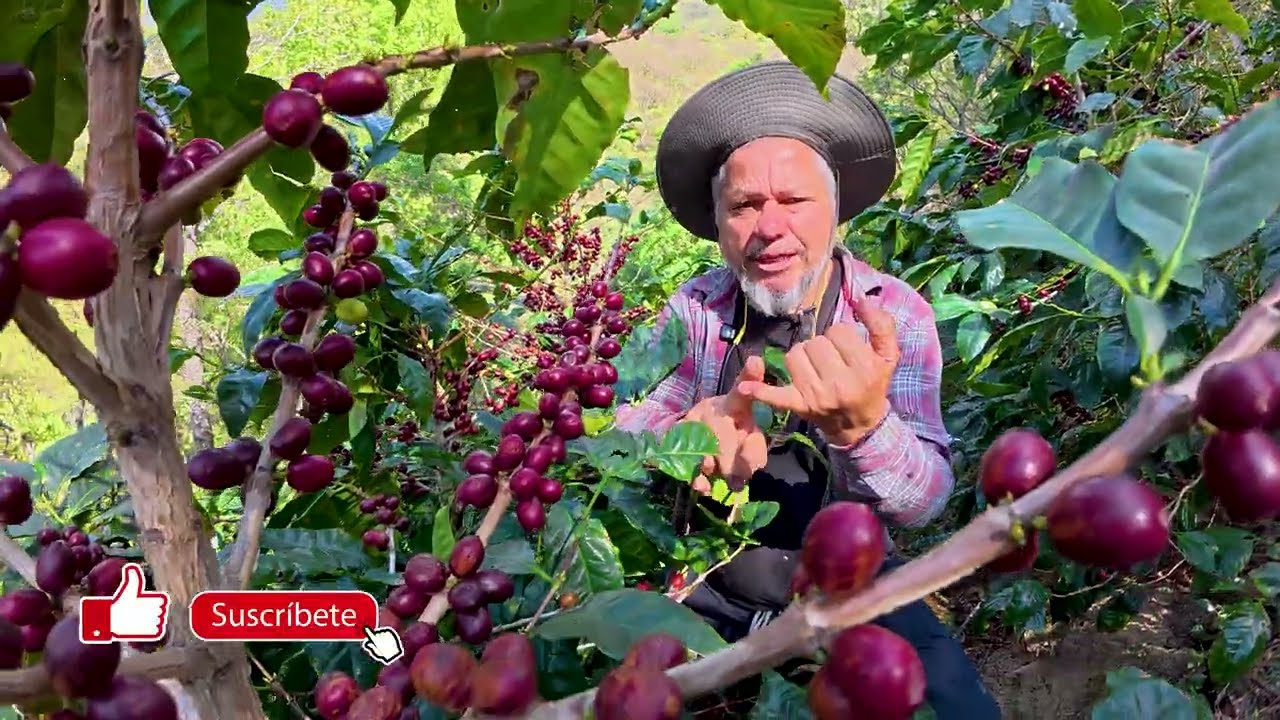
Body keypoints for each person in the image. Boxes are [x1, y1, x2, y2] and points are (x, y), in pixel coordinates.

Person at [612, 60, 1002, 718]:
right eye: (743, 206)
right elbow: (621, 426)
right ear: (718, 221)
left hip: (852, 585)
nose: (769, 227)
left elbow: (927, 500)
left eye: (793, 201)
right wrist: (680, 438)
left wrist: (865, 431)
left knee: (957, 709)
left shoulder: (893, 313)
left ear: (835, 211)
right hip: (704, 576)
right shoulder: (696, 309)